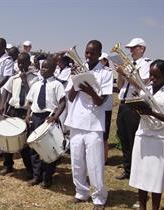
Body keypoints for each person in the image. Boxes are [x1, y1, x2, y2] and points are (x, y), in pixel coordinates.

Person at [64, 40, 112, 209]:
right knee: (76, 161)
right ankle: (81, 192)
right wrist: (76, 83)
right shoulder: (78, 69)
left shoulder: (106, 73)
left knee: (94, 163)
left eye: (92, 53)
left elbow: (101, 101)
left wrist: (90, 91)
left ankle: (99, 198)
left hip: (94, 123)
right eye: (87, 52)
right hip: (76, 120)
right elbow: (69, 97)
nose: (88, 56)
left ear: (99, 54)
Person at [128, 59, 164, 210]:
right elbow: (140, 114)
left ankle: (155, 207)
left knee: (156, 177)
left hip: (160, 139)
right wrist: (135, 104)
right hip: (143, 135)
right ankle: (142, 206)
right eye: (151, 75)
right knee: (141, 174)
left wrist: (152, 112)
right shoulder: (145, 89)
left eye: (156, 76)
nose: (152, 79)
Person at [24, 56, 66, 188]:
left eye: (46, 67)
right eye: (42, 67)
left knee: (48, 148)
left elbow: (62, 102)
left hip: (48, 118)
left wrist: (55, 116)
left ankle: (47, 177)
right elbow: (30, 102)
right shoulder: (36, 84)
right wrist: (27, 115)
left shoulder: (57, 84)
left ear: (53, 69)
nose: (42, 70)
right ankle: (37, 176)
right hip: (36, 117)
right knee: (35, 148)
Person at [0, 52, 38, 178]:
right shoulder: (14, 78)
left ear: (29, 63)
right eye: (19, 62)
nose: (20, 65)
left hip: (25, 111)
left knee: (24, 143)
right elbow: (6, 91)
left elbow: (31, 95)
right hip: (13, 110)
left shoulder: (34, 79)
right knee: (7, 138)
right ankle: (8, 165)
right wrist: (2, 104)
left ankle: (30, 170)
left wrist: (25, 80)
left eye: (23, 62)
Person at [115, 38, 152, 180]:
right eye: (130, 48)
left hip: (134, 103)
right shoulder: (129, 64)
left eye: (133, 48)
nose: (130, 51)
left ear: (142, 48)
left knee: (133, 138)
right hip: (123, 103)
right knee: (123, 136)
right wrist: (120, 72)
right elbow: (119, 86)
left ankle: (137, 170)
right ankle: (128, 169)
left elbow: (140, 84)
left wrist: (125, 73)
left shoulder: (146, 64)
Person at [99, 52, 113, 163]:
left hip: (106, 107)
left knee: (104, 136)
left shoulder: (108, 72)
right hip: (97, 107)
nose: (100, 62)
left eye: (102, 60)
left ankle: (104, 158)